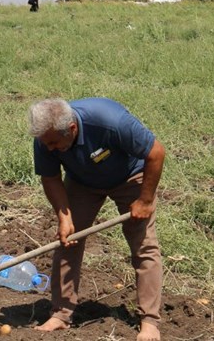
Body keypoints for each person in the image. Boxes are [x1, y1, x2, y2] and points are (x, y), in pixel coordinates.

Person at [29, 98, 166, 341]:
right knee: (67, 240)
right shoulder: (45, 138)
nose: (48, 148)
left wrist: (145, 200)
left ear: (71, 130)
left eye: (53, 143)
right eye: (45, 143)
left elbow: (156, 152)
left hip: (129, 176)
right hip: (82, 182)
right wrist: (64, 216)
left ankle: (150, 322)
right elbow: (50, 178)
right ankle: (61, 314)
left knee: (143, 245)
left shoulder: (110, 122)